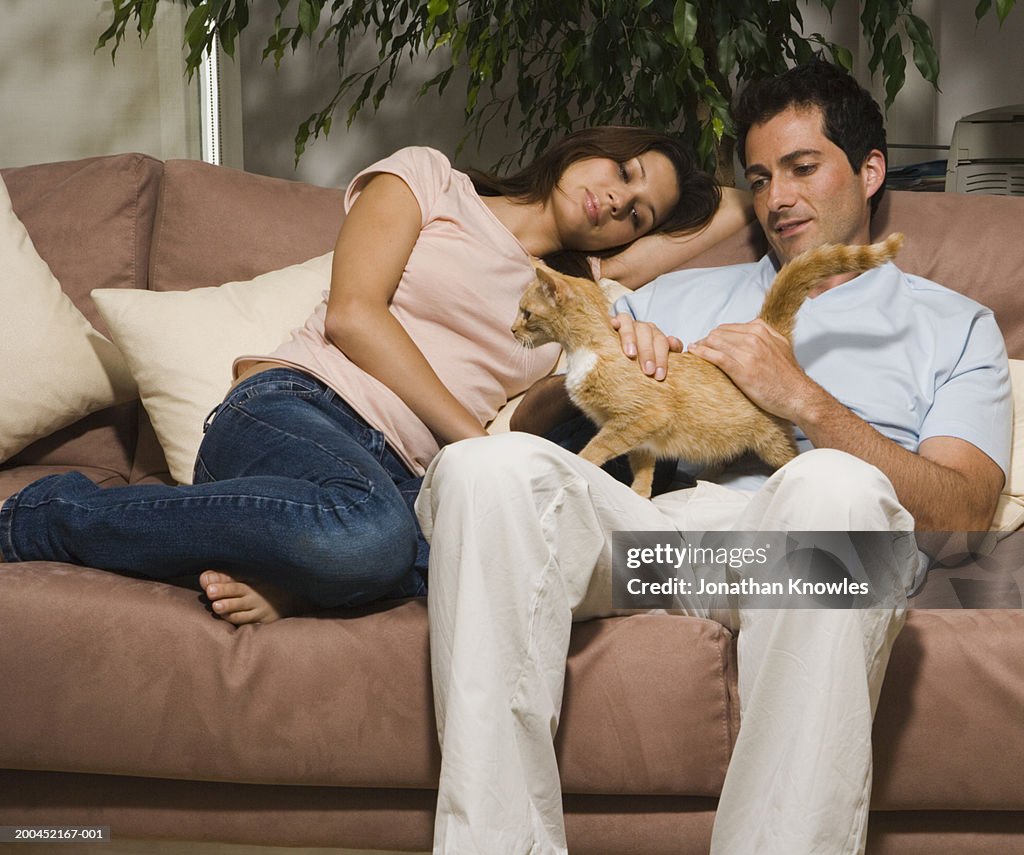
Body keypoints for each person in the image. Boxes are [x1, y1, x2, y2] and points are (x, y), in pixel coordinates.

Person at [415, 61, 1012, 854]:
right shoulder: (676, 295)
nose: (777, 199)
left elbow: (966, 509)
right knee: (479, 470)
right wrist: (602, 360)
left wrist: (801, 398)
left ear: (871, 171)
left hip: (798, 550)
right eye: (760, 178)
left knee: (831, 487)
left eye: (803, 169)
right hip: (660, 550)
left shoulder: (953, 325)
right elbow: (530, 425)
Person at [0, 127, 749, 625]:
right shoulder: (431, 180)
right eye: (622, 171)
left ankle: (296, 568)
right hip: (295, 409)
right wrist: (471, 446)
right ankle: (49, 513)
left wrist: (603, 352)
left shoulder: (574, 301)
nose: (617, 199)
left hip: (402, 478)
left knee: (503, 558)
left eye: (637, 214)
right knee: (375, 533)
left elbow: (742, 214)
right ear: (588, 144)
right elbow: (353, 316)